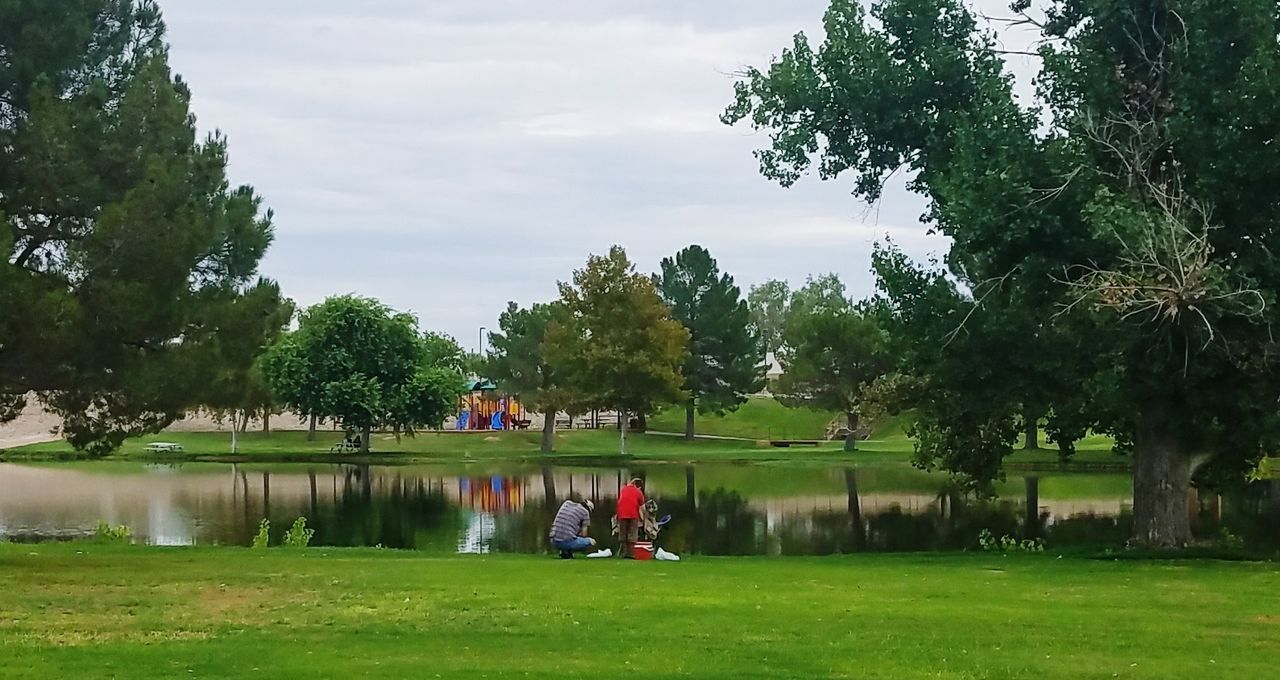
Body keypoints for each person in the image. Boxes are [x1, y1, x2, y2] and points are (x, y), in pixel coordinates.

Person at [616, 478, 645, 559]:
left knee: (623, 534)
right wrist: (642, 519)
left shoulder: (623, 489)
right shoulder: (638, 491)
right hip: (632, 514)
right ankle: (631, 554)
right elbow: (641, 506)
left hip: (621, 513)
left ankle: (624, 553)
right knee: (632, 534)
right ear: (638, 486)